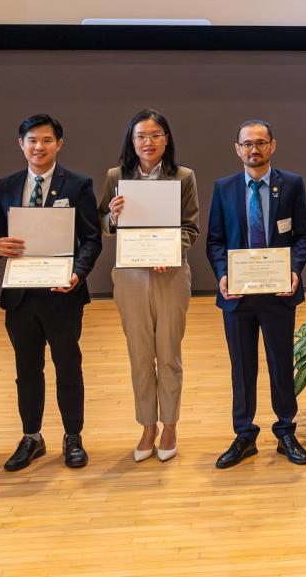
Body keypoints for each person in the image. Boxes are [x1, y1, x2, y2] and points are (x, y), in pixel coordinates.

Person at [0, 115, 102, 472]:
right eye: (32, 140)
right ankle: (32, 437)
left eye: (47, 140)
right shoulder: (5, 185)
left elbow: (91, 238)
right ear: (20, 144)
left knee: (68, 366)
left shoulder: (79, 185)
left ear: (59, 143)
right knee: (27, 368)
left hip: (62, 292)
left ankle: (73, 436)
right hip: (20, 295)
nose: (39, 147)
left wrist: (78, 274)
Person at [207, 120, 306, 468]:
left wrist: (295, 270)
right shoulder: (223, 188)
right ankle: (244, 433)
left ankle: (286, 430)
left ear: (272, 146)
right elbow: (215, 241)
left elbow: (303, 237)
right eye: (247, 144)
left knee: (282, 364)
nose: (254, 149)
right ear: (237, 148)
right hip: (237, 297)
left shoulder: (292, 185)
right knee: (242, 366)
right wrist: (223, 274)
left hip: (279, 293)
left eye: (260, 143)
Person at [98, 110, 200, 463]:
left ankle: (170, 423)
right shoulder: (116, 176)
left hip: (170, 274)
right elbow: (103, 224)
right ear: (132, 140)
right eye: (141, 136)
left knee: (168, 353)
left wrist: (171, 251)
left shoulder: (183, 177)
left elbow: (190, 228)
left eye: (156, 135)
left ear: (167, 139)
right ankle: (146, 425)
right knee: (140, 355)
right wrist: (112, 215)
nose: (148, 142)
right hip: (130, 275)